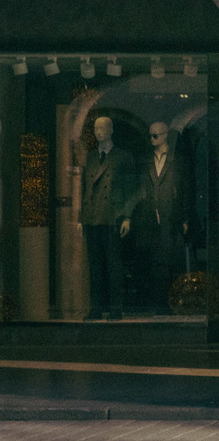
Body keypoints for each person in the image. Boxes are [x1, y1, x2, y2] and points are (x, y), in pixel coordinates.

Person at [80, 115, 137, 321]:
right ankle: (96, 307)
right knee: (95, 266)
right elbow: (86, 188)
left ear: (111, 130)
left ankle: (116, 307)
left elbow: (132, 189)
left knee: (114, 265)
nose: (98, 131)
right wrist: (82, 217)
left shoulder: (123, 157)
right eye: (95, 128)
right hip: (93, 217)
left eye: (102, 128)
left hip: (113, 216)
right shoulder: (91, 157)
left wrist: (127, 217)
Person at [136, 121, 193, 312]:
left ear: (165, 135)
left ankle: (172, 303)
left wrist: (185, 218)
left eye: (156, 136)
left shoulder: (178, 160)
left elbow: (186, 191)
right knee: (154, 264)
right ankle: (158, 304)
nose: (152, 140)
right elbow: (141, 188)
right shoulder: (146, 160)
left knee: (171, 262)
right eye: (150, 136)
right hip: (150, 218)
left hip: (172, 217)